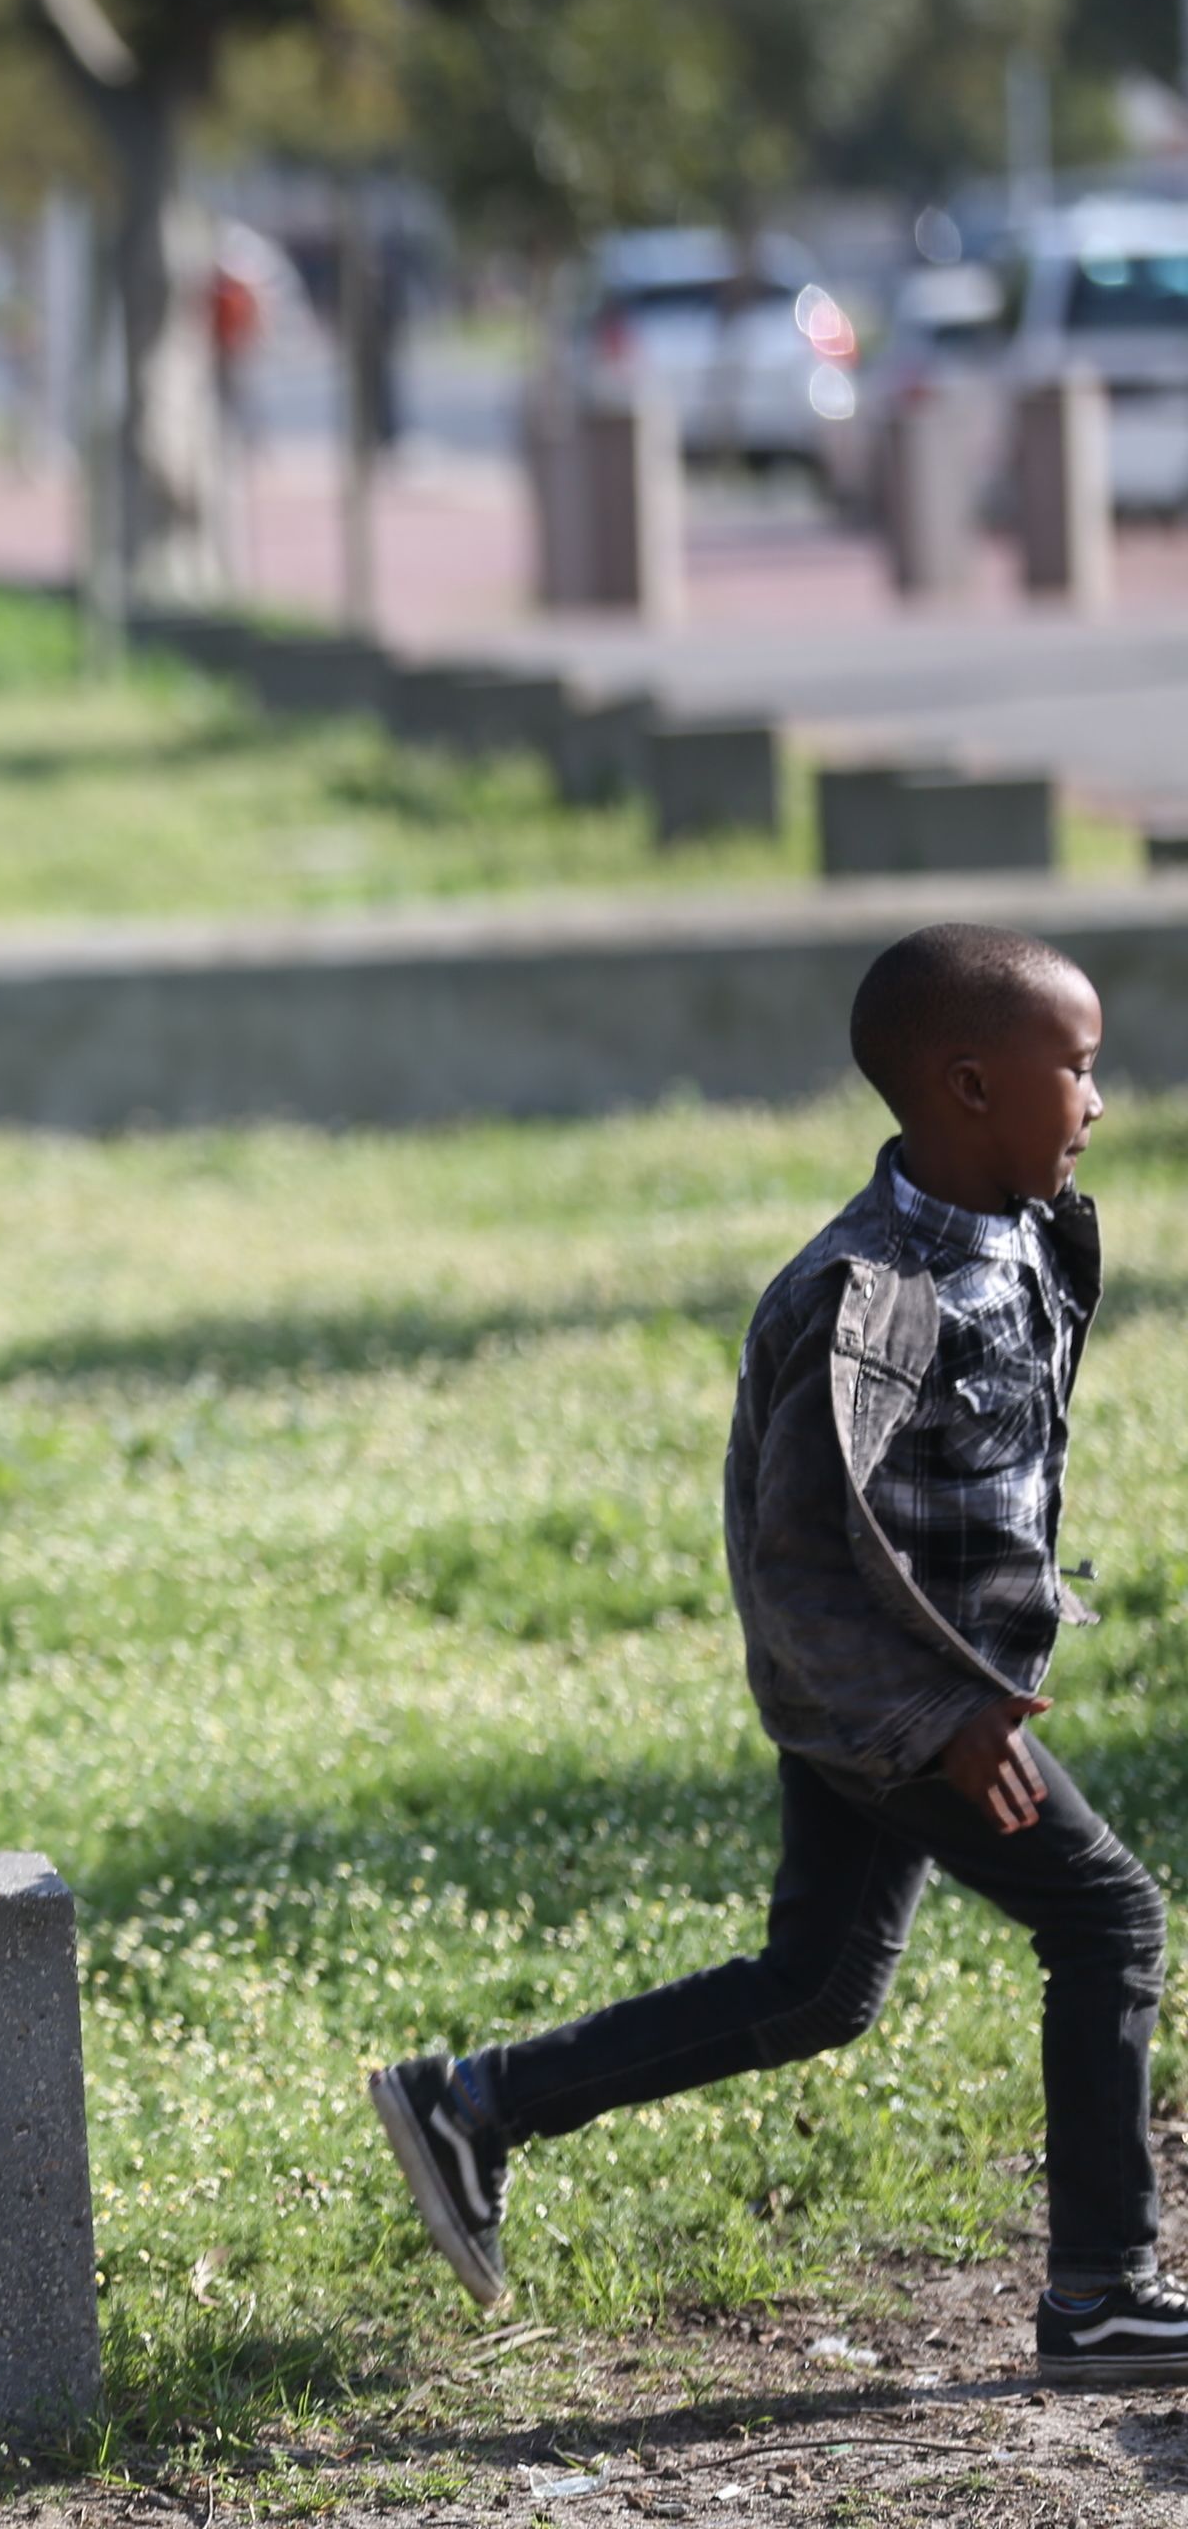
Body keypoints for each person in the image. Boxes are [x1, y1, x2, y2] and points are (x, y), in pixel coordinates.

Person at [369, 924, 1182, 2386]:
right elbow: (794, 1567)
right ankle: (1101, 2294)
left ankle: (473, 2105)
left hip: (914, 1706)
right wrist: (942, 1712)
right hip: (891, 1710)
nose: (1100, 1100)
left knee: (816, 1988)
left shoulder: (1019, 1225)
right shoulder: (860, 1301)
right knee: (1110, 1919)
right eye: (1077, 1068)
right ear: (970, 1086)